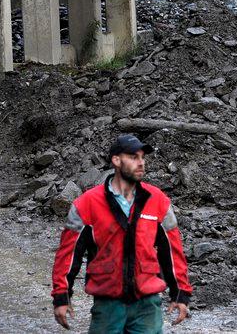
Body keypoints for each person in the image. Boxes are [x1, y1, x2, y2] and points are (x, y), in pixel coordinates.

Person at [51, 134, 193, 333]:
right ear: (116, 160)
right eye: (134, 157)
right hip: (107, 305)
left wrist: (180, 293)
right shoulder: (87, 204)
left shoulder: (158, 201)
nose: (141, 163)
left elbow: (172, 252)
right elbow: (68, 255)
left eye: (142, 157)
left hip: (147, 305)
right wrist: (61, 296)